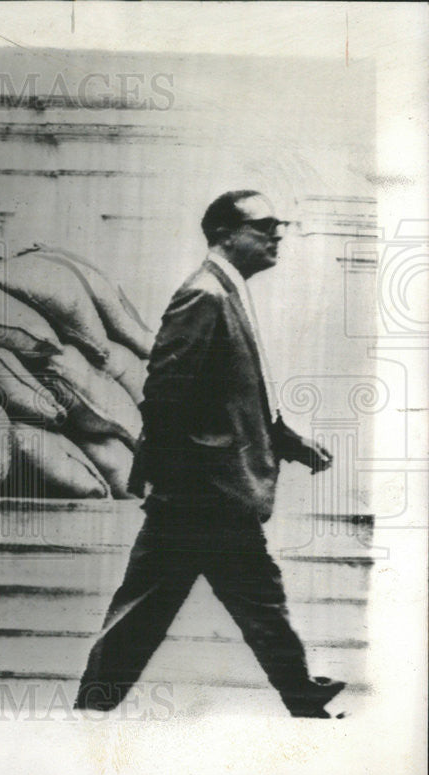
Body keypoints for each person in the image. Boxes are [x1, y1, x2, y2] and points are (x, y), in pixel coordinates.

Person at [75, 190, 345, 718]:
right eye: (264, 225)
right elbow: (166, 394)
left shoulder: (227, 289)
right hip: (200, 496)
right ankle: (91, 709)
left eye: (278, 225)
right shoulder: (205, 294)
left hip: (209, 493)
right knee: (161, 609)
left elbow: (233, 395)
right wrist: (180, 485)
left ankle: (300, 692)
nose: (277, 234)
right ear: (225, 233)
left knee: (240, 598)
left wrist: (287, 443)